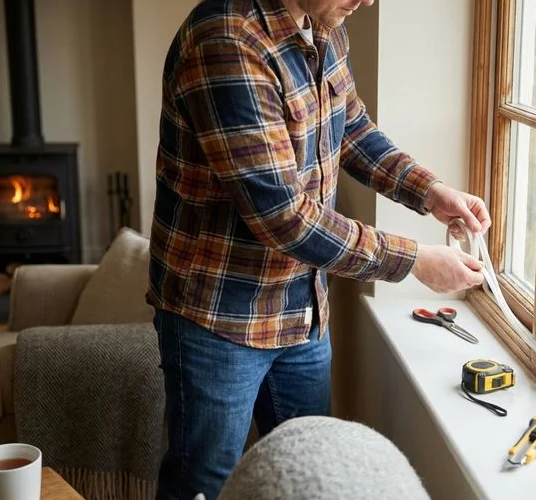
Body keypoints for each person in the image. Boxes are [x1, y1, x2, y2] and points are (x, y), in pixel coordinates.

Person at [146, 0, 492, 498]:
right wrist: (413, 260)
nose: (368, 1)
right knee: (202, 481)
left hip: (301, 310)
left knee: (309, 473)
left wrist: (429, 192)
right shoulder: (227, 41)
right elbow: (283, 216)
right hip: (217, 318)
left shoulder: (324, 25)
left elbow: (353, 131)